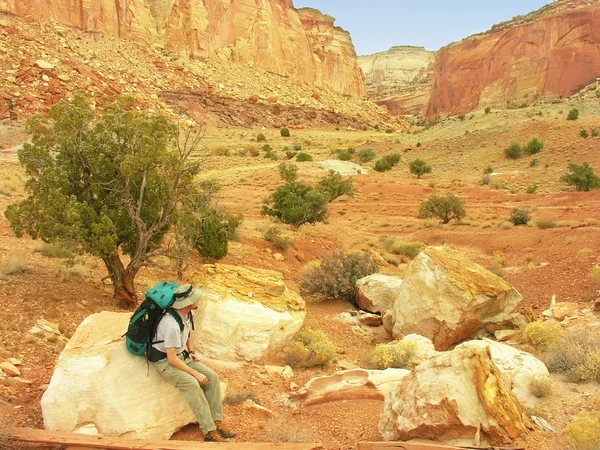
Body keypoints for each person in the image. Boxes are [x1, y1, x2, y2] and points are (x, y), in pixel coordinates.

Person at [149, 283, 236, 442]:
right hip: (165, 362)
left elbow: (188, 333)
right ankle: (209, 432)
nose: (198, 300)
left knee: (212, 378)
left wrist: (191, 351)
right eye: (195, 298)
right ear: (187, 303)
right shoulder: (170, 324)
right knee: (192, 384)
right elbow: (171, 359)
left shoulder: (187, 315)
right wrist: (195, 373)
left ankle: (216, 422)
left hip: (182, 356)